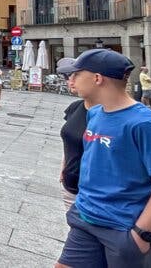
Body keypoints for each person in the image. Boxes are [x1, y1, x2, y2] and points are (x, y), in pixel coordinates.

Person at [54, 49, 151, 268]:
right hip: (86, 217)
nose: (71, 79)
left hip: (122, 227)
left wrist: (141, 234)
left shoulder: (144, 124)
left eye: (76, 74)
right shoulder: (95, 113)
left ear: (97, 78)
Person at [55, 57, 88, 210]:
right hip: (71, 186)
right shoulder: (75, 107)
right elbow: (71, 141)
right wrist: (64, 167)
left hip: (104, 201)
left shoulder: (138, 121)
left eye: (75, 75)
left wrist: (138, 232)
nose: (70, 80)